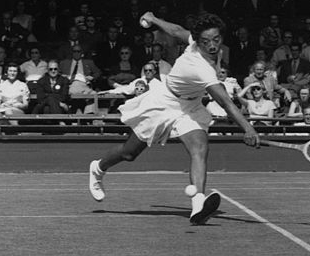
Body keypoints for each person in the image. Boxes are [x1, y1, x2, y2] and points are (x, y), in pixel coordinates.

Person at [87, 12, 260, 226]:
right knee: (129, 153)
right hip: (164, 103)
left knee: (199, 147)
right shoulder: (200, 68)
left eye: (216, 39)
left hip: (191, 106)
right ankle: (98, 168)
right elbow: (225, 102)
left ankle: (198, 204)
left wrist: (154, 19)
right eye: (206, 41)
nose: (212, 45)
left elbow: (177, 31)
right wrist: (248, 129)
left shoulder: (203, 45)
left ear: (221, 37)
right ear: (198, 41)